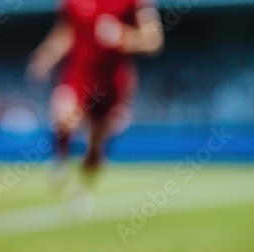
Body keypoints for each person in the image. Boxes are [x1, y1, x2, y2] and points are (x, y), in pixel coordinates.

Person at [27, 0, 163, 189]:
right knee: (63, 116)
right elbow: (66, 33)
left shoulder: (135, 3)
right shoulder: (72, 3)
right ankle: (60, 159)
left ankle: (83, 188)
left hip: (112, 83)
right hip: (78, 76)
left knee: (95, 149)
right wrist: (46, 56)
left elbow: (153, 41)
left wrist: (123, 36)